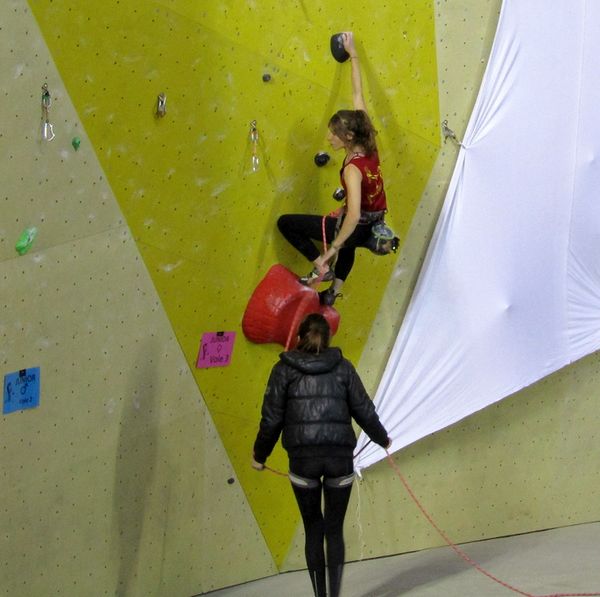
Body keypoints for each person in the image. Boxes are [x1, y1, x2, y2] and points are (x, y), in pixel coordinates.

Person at [252, 313, 391, 597]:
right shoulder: (344, 368)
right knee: (334, 529)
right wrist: (382, 439)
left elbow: (271, 421)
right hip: (340, 457)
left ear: (299, 336)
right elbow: (365, 410)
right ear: (329, 338)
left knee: (313, 528)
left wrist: (260, 456)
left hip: (303, 460)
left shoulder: (283, 370)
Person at [277, 32, 388, 306]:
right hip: (377, 223)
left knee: (287, 224)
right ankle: (333, 292)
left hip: (360, 225)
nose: (329, 138)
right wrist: (353, 55)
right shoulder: (368, 140)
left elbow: (352, 216)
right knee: (350, 241)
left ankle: (324, 271)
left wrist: (329, 252)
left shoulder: (352, 169)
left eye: (334, 134)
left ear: (348, 137)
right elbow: (358, 93)